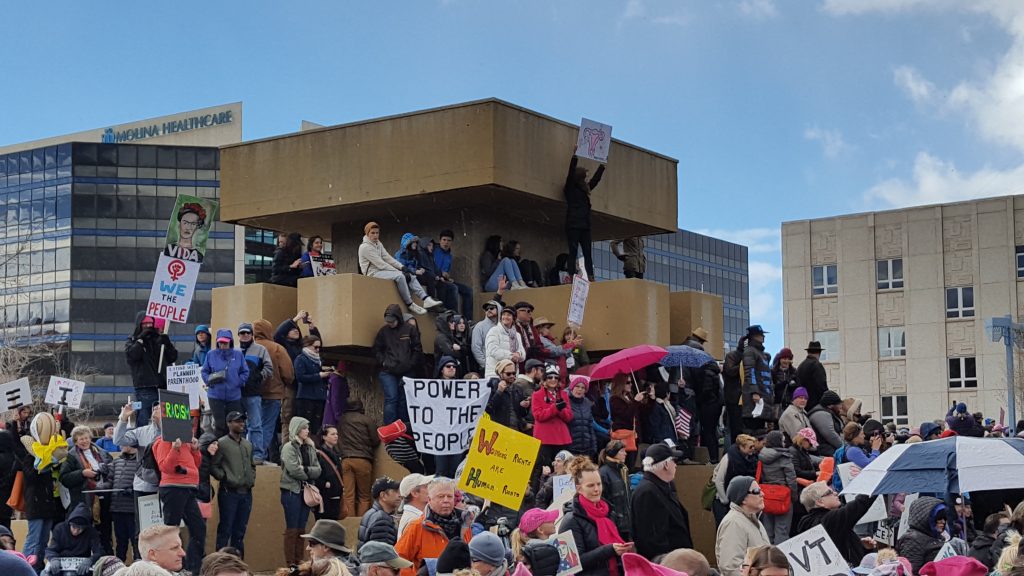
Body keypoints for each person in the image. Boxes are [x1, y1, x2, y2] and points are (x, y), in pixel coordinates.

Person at [558, 456, 632, 576]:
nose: (597, 489)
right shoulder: (570, 520)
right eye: (591, 486)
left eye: (599, 484)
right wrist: (609, 550)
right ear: (579, 489)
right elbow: (571, 564)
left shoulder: (609, 512)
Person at [358, 221, 443, 315]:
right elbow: (380, 264)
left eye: (377, 233)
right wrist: (401, 271)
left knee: (410, 275)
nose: (375, 235)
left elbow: (387, 257)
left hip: (382, 270)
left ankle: (426, 299)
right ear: (367, 234)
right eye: (372, 233)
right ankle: (410, 303)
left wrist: (402, 267)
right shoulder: (365, 247)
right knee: (400, 276)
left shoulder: (378, 243)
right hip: (372, 273)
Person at [395, 477, 473, 576]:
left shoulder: (464, 525)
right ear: (429, 499)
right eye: (440, 496)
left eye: (449, 496)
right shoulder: (417, 527)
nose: (446, 500)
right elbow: (398, 560)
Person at [152, 431, 205, 576]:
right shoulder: (163, 440)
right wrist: (175, 449)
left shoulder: (187, 440)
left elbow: (196, 464)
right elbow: (165, 467)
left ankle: (192, 569)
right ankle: (168, 570)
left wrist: (195, 450)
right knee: (170, 531)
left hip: (189, 487)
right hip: (173, 487)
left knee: (199, 528)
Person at [631, 443, 692, 560]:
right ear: (665, 465)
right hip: (665, 564)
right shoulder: (648, 492)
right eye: (673, 461)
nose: (676, 465)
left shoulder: (662, 487)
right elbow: (650, 539)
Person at [60, 425, 113, 554]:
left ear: (90, 438)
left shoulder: (102, 452)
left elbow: (113, 470)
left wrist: (106, 472)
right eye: (80, 439)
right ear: (76, 442)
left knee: (105, 531)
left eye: (85, 438)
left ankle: (107, 557)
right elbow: (64, 478)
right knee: (85, 532)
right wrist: (82, 473)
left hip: (104, 496)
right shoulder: (70, 457)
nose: (84, 441)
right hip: (83, 500)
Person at [797, 482, 878, 566]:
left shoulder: (811, 522)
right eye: (829, 492)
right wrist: (876, 483)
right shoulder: (829, 520)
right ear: (820, 502)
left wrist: (864, 547)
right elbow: (860, 504)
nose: (835, 493)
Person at [211, 411, 256, 556]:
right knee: (225, 529)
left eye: (242, 421)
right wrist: (225, 477)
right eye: (237, 421)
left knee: (240, 531)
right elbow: (213, 465)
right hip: (229, 492)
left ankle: (238, 564)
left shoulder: (248, 444)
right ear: (229, 423)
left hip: (246, 493)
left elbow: (252, 465)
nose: (241, 423)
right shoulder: (222, 443)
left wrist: (251, 477)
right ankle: (219, 563)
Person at [281, 417, 323, 566]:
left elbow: (318, 470)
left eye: (307, 428)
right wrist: (307, 472)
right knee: (292, 528)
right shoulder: (289, 447)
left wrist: (305, 470)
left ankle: (299, 561)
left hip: (305, 491)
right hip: (291, 491)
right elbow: (293, 470)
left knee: (301, 527)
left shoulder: (310, 447)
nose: (307, 431)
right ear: (297, 429)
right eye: (304, 428)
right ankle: (290, 563)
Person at [373, 304, 423, 425]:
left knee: (403, 400)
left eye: (392, 321)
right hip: (388, 371)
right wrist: (384, 362)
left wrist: (410, 364)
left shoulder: (410, 329)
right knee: (392, 398)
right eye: (388, 321)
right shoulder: (383, 331)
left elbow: (417, 349)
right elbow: (376, 349)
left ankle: (402, 428)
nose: (390, 323)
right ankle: (389, 427)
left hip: (406, 370)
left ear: (398, 318)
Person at [125, 315, 178, 426]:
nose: (148, 327)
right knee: (144, 416)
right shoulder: (132, 340)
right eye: (145, 324)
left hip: (162, 385)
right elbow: (132, 356)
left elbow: (172, 357)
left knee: (165, 417)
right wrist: (140, 340)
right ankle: (142, 442)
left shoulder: (159, 340)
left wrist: (167, 344)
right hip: (145, 386)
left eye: (150, 324)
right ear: (139, 325)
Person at [680, 327, 723, 464]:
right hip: (705, 398)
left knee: (685, 425)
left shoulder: (682, 349)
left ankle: (686, 455)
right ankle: (712, 458)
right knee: (706, 429)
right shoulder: (701, 356)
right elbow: (704, 384)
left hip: (686, 392)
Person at [254, 318, 293, 464]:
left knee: (253, 426)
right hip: (273, 393)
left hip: (251, 394)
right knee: (267, 427)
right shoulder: (277, 348)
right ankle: (259, 456)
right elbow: (288, 374)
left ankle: (248, 455)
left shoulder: (249, 347)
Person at [715, 476, 770, 576]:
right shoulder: (733, 523)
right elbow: (731, 567)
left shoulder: (753, 520)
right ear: (743, 498)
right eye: (757, 491)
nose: (762, 494)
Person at [235, 323, 273, 464]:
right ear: (238, 335)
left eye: (247, 333)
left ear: (252, 335)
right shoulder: (235, 351)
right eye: (242, 333)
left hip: (253, 393)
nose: (245, 335)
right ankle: (240, 453)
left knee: (255, 425)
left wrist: (258, 377)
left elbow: (269, 367)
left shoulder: (260, 349)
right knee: (239, 425)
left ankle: (257, 454)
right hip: (237, 394)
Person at [564, 154, 605, 281]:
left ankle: (591, 277)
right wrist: (574, 158)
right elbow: (570, 174)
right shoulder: (570, 189)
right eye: (584, 177)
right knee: (573, 251)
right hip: (575, 225)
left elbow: (594, 181)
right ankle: (572, 276)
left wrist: (602, 167)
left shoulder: (584, 189)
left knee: (587, 253)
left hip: (583, 225)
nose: (586, 180)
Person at [202, 329, 250, 438]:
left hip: (234, 396)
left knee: (235, 424)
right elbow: (204, 371)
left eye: (225, 342)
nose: (223, 344)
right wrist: (208, 381)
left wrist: (238, 381)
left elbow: (245, 371)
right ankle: (219, 450)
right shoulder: (211, 354)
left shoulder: (238, 354)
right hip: (215, 396)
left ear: (230, 342)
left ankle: (235, 449)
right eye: (220, 342)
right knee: (220, 425)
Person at [338, 399, 378, 518]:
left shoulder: (341, 420)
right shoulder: (366, 420)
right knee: (364, 497)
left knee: (348, 495)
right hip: (363, 459)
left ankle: (349, 523)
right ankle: (361, 523)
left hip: (345, 460)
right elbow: (375, 440)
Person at [532, 365, 574, 476]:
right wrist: (555, 408)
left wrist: (560, 410)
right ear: (544, 380)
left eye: (556, 377)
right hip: (545, 439)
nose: (553, 380)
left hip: (561, 438)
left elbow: (569, 416)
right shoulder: (537, 395)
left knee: (564, 470)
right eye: (550, 377)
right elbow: (538, 415)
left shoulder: (564, 394)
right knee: (545, 469)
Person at [712, 434, 759, 525]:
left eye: (754, 446)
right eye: (750, 447)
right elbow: (719, 480)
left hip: (736, 500)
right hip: (722, 498)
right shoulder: (728, 458)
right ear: (741, 447)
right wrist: (724, 500)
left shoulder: (751, 458)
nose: (753, 448)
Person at [44, 503, 103, 574]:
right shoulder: (60, 528)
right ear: (69, 524)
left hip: (81, 567)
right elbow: (51, 549)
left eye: (80, 529)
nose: (75, 531)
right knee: (44, 574)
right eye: (73, 527)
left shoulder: (91, 532)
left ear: (85, 528)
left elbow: (99, 551)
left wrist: (90, 560)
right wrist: (53, 559)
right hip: (59, 563)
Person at [897, 496, 948, 575]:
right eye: (939, 518)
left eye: (944, 518)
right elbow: (911, 572)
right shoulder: (911, 540)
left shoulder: (938, 537)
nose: (943, 521)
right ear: (927, 518)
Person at [108, 438, 139, 562]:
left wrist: (133, 490)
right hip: (117, 507)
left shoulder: (140, 461)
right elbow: (109, 479)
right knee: (120, 542)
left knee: (135, 541)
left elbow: (144, 481)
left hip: (133, 509)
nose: (120, 446)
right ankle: (119, 567)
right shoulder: (117, 461)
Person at [294, 335, 331, 437]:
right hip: (306, 397)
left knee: (317, 426)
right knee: (305, 427)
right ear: (307, 346)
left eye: (319, 347)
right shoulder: (301, 359)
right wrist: (319, 375)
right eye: (315, 347)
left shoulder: (318, 359)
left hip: (319, 396)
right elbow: (300, 377)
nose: (318, 350)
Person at [434, 229, 474, 319]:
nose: (446, 243)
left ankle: (468, 320)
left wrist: (448, 277)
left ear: (452, 242)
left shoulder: (449, 256)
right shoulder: (434, 252)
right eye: (444, 240)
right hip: (435, 279)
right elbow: (431, 267)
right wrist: (441, 274)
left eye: (449, 240)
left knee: (468, 291)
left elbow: (446, 272)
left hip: (445, 280)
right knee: (453, 288)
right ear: (440, 240)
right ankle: (454, 317)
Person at [596, 441, 631, 541]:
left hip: (626, 523)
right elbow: (602, 500)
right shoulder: (603, 473)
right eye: (622, 451)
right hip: (614, 523)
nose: (625, 453)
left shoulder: (623, 470)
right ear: (614, 453)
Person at [741, 325, 774, 430]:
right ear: (754, 336)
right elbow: (750, 372)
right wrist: (755, 392)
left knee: (761, 430)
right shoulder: (750, 351)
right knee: (753, 429)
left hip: (764, 396)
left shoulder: (762, 354)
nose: (763, 336)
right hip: (756, 398)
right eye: (760, 335)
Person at [358, 477, 402, 547]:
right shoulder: (382, 519)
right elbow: (381, 554)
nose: (400, 495)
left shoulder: (370, 513)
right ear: (383, 495)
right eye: (395, 491)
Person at [485, 306, 525, 379]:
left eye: (509, 315)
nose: (505, 317)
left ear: (514, 318)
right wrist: (511, 356)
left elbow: (523, 354)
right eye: (504, 314)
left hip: (512, 375)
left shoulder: (517, 335)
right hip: (495, 374)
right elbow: (493, 351)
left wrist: (519, 354)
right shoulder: (494, 331)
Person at [314, 425, 343, 521]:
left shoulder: (335, 453)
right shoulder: (318, 454)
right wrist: (324, 484)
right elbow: (315, 475)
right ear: (324, 437)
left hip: (336, 494)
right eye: (332, 434)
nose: (336, 436)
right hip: (325, 495)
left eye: (337, 434)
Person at [722, 339, 746, 445]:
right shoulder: (732, 356)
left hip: (744, 397)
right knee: (734, 428)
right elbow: (730, 371)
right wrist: (744, 364)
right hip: (734, 398)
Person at [567, 376, 598, 458]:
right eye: (577, 386)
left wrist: (594, 447)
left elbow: (590, 426)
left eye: (583, 387)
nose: (580, 389)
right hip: (570, 448)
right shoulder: (566, 402)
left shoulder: (587, 403)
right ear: (572, 387)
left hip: (586, 448)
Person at [808, 390, 844, 458]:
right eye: (838, 404)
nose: (840, 406)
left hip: (828, 448)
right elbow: (831, 435)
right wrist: (844, 448)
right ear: (830, 405)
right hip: (825, 451)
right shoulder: (821, 414)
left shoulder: (827, 412)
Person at [471, 299, 504, 374]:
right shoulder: (479, 326)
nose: (489, 310)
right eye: (486, 309)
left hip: (503, 367)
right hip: (487, 368)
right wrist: (485, 364)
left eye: (492, 308)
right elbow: (476, 348)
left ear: (498, 309)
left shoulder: (503, 326)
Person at [397, 473, 434, 538]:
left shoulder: (416, 517)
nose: (432, 489)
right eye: (426, 486)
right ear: (415, 493)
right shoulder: (413, 520)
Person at [796, 341, 828, 409]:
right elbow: (822, 387)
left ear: (808, 352)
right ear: (819, 353)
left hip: (803, 405)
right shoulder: (817, 365)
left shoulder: (801, 366)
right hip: (815, 406)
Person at [324, 361, 350, 429]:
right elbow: (335, 399)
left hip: (330, 413)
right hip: (334, 415)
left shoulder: (333, 379)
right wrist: (338, 416)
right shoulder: (337, 381)